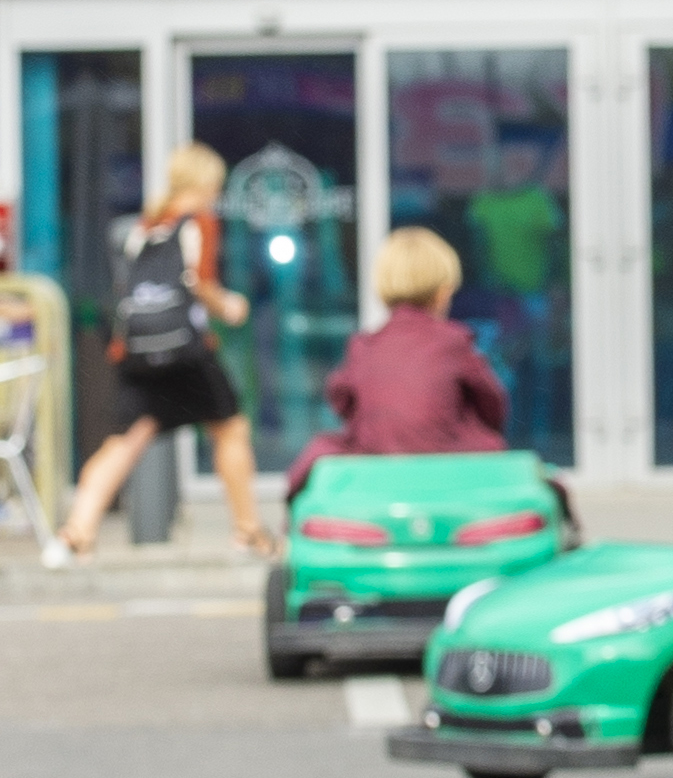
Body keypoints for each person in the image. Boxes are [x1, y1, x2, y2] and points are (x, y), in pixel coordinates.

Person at [56, 143, 276, 561]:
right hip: (186, 351)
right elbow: (201, 283)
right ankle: (248, 531)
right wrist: (230, 307)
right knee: (229, 430)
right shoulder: (199, 223)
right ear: (205, 181)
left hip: (138, 351)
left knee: (125, 440)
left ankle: (76, 530)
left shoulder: (143, 226)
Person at [283, 228, 510, 499]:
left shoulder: (364, 346)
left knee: (322, 448)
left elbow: (340, 398)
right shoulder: (454, 342)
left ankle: (288, 532)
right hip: (446, 460)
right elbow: (492, 402)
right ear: (443, 292)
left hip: (377, 456)